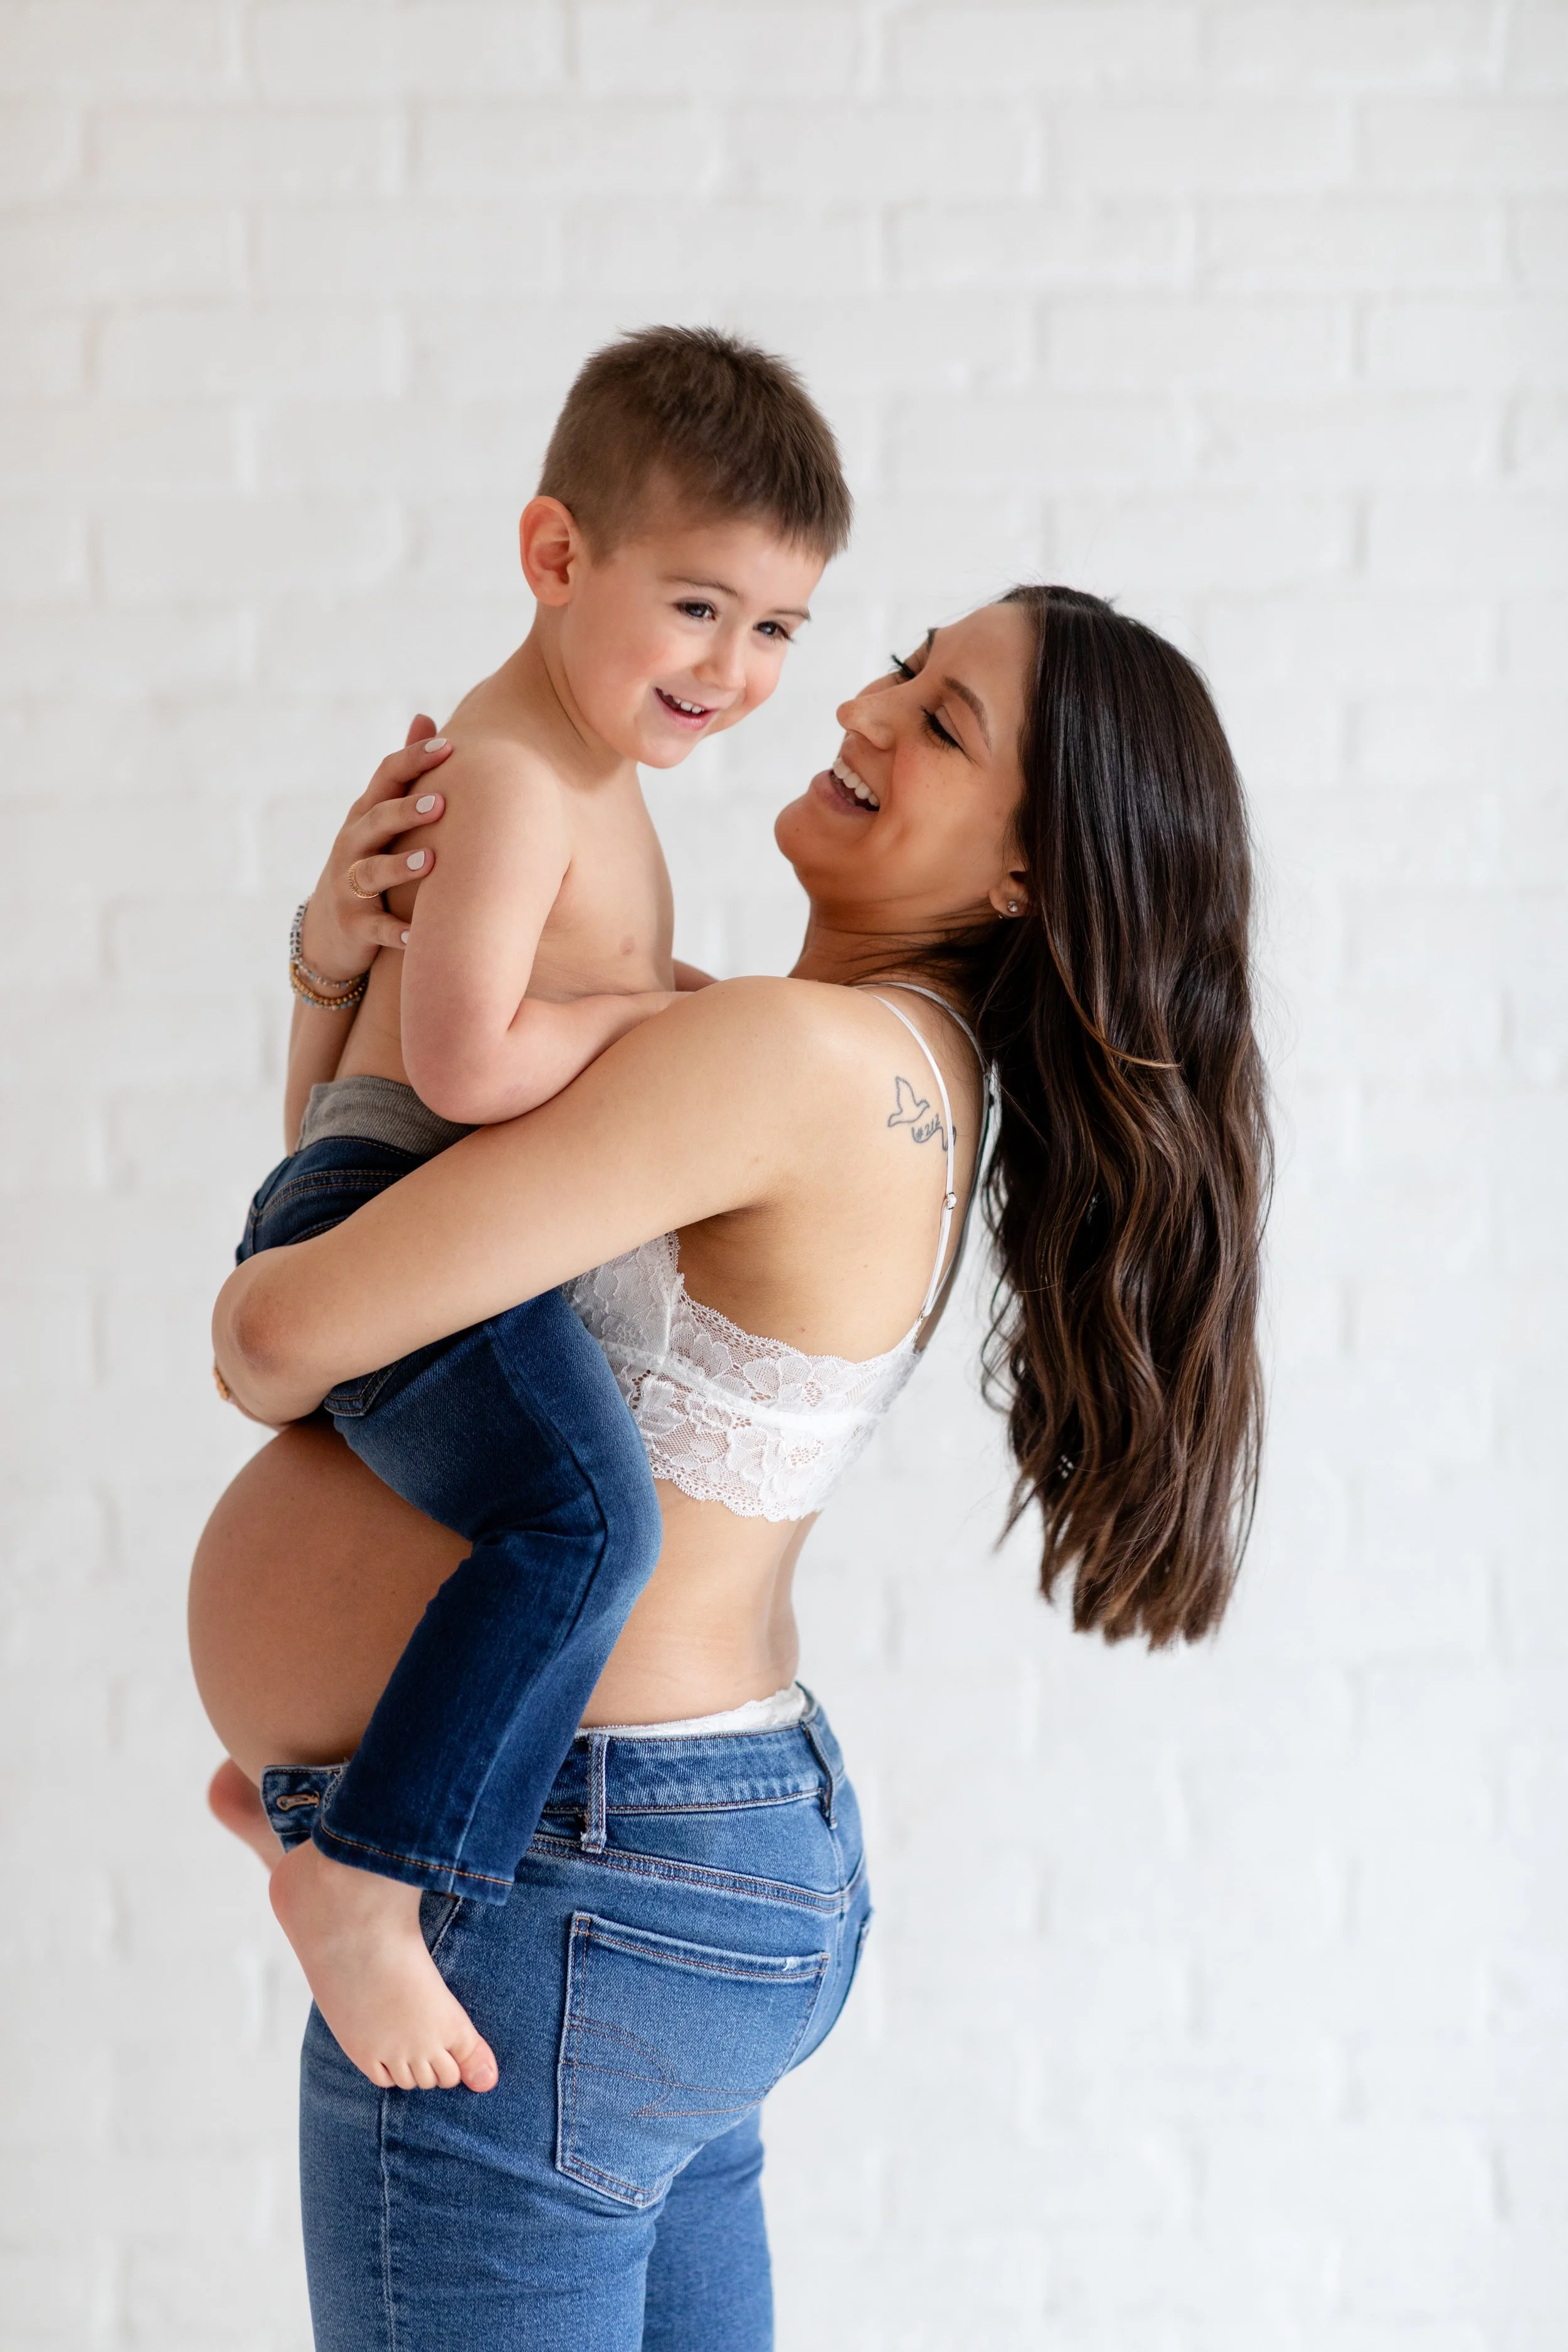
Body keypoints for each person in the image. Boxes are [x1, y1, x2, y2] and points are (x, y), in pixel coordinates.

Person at [194, 586, 1271, 2351]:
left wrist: (396, 1039)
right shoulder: (879, 1065)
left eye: (942, 724)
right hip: (670, 1864)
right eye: (905, 665)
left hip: (563, 1874)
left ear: (1024, 874)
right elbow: (397, 1233)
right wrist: (339, 959)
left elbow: (281, 1330)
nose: (861, 708)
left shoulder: (782, 1056)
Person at [219, 325, 852, 2096]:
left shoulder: (591, 779)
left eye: (779, 628)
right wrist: (665, 1016)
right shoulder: (509, 773)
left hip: (392, 1198)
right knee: (586, 1526)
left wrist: (659, 1008)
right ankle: (363, 1882)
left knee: (570, 1524)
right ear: (557, 557)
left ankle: (324, 1812)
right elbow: (465, 1061)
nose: (733, 669)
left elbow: (409, 1052)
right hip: (389, 1203)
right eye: (698, 606)